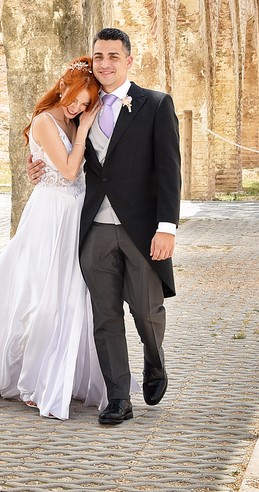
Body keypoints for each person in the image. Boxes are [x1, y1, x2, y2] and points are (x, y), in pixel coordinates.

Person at [0, 57, 119, 420]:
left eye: (85, 104)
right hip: (50, 215)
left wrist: (81, 126)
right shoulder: (45, 120)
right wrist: (82, 130)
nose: (77, 108)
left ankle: (64, 374)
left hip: (76, 213)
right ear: (62, 86)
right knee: (40, 293)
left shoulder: (73, 120)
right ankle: (31, 379)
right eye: (74, 99)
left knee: (71, 294)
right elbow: (68, 170)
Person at [29, 28, 181, 425]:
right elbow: (60, 153)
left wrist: (167, 227)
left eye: (114, 56)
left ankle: (155, 360)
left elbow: (169, 172)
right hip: (93, 226)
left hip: (141, 229)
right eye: (99, 56)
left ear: (128, 61)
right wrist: (36, 166)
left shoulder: (156, 105)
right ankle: (118, 398)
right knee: (104, 315)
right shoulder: (84, 108)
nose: (105, 63)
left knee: (146, 310)